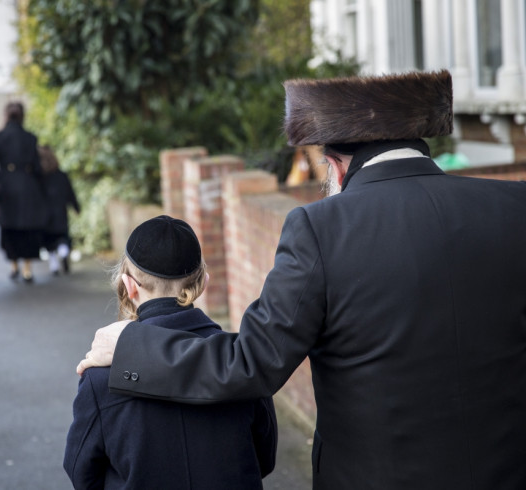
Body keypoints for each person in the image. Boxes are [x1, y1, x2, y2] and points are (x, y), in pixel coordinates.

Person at [77, 70, 526, 490]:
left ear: (336, 165)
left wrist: (131, 346)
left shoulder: (320, 229)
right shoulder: (513, 207)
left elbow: (250, 363)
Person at [64, 215, 277, 489]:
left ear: (129, 286)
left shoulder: (100, 376)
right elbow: (264, 459)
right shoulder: (238, 360)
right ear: (203, 282)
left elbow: (82, 473)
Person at [0, 102, 48, 283]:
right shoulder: (30, 137)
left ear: (6, 116)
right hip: (28, 186)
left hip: (6, 188)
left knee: (9, 227)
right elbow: (37, 167)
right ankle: (27, 268)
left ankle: (13, 266)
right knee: (28, 228)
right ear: (22, 116)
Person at [39, 145, 80, 276]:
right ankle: (63, 251)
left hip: (44, 214)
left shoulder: (39, 178)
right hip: (60, 212)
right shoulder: (62, 175)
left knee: (49, 241)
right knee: (62, 237)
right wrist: (76, 207)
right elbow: (70, 193)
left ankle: (54, 265)